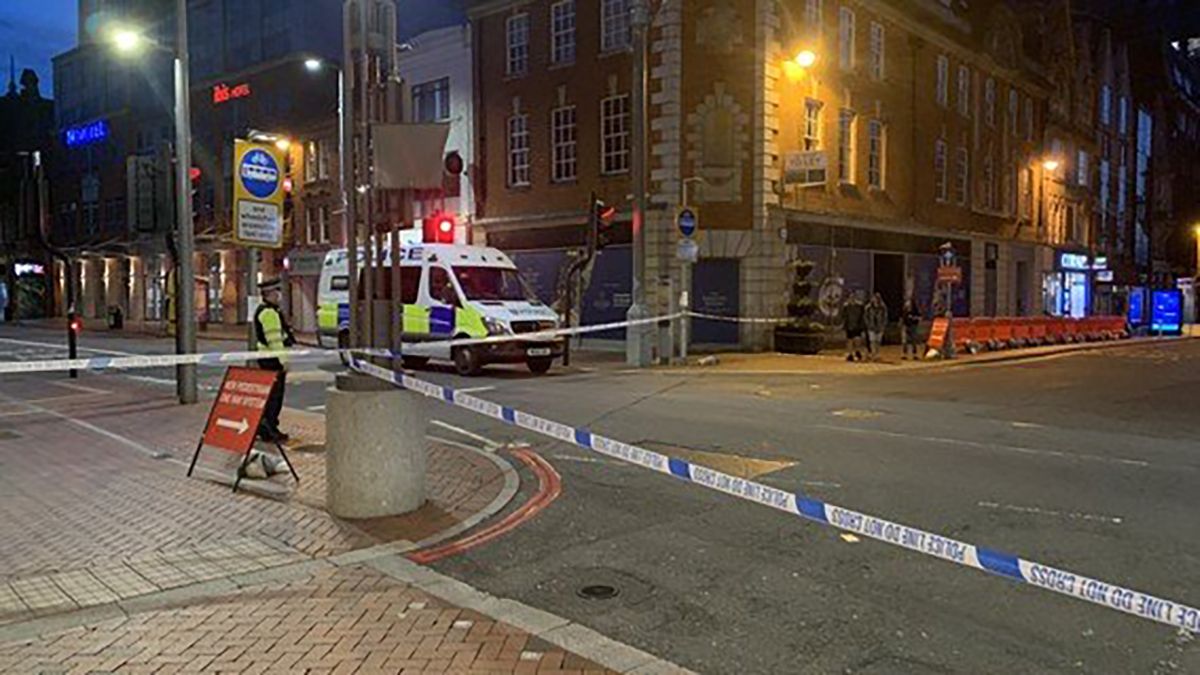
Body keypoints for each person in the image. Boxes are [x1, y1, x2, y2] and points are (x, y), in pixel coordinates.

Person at [253, 278, 296, 443]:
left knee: (269, 395)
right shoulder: (270, 313)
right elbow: (275, 340)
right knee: (274, 397)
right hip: (273, 360)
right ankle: (269, 429)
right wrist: (283, 360)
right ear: (269, 294)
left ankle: (265, 426)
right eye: (276, 292)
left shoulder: (264, 310)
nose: (279, 295)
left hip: (266, 358)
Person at [841, 291, 866, 362]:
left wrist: (861, 325)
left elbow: (862, 316)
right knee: (850, 341)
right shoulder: (846, 306)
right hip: (849, 326)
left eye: (853, 297)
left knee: (858, 340)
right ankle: (850, 354)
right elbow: (843, 316)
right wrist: (845, 325)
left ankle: (857, 352)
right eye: (850, 297)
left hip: (857, 326)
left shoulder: (860, 306)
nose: (852, 298)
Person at [864, 293, 888, 361]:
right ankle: (873, 354)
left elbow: (885, 317)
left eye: (876, 298)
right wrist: (868, 325)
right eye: (874, 298)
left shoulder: (883, 307)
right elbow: (866, 317)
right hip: (871, 327)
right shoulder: (868, 307)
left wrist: (883, 325)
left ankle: (877, 354)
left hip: (880, 327)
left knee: (878, 341)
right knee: (872, 341)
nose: (875, 299)